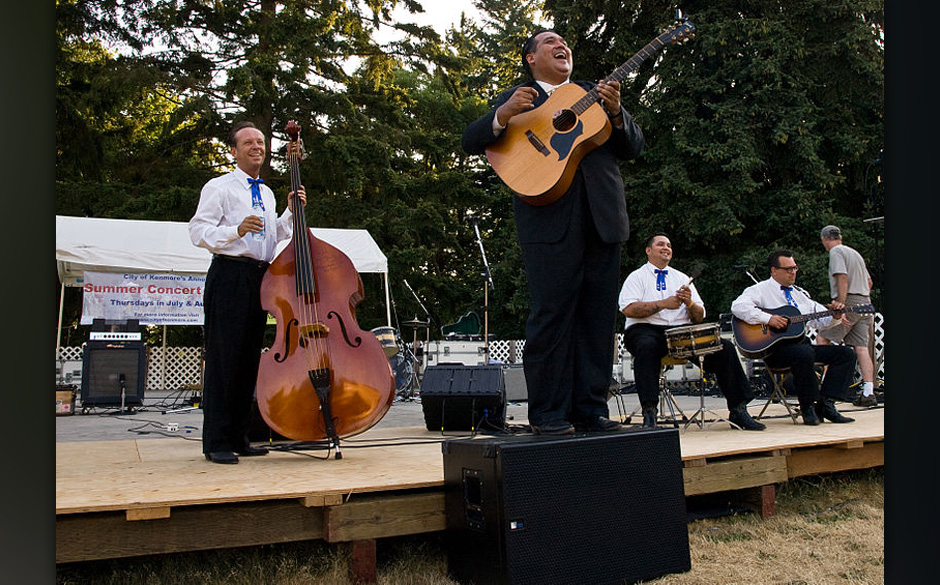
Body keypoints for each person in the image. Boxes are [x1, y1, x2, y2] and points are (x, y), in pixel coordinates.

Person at [461, 29, 645, 435]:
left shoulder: (594, 94)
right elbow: (471, 140)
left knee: (598, 319)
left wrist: (617, 114)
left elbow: (633, 147)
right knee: (552, 316)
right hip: (547, 220)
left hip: (603, 219)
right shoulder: (519, 99)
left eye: (565, 43)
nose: (561, 46)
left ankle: (591, 410)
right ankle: (548, 413)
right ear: (530, 57)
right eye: (549, 42)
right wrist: (503, 115)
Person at [189, 121, 306, 464]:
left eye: (261, 142)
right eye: (248, 143)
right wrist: (234, 230)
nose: (257, 147)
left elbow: (272, 236)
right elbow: (198, 231)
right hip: (230, 274)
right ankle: (216, 441)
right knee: (224, 359)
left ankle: (239, 437)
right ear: (234, 151)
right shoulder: (220, 187)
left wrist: (289, 212)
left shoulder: (266, 193)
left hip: (259, 277)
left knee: (247, 360)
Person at [618, 233, 765, 431]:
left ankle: (738, 409)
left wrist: (689, 303)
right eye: (661, 244)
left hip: (681, 331)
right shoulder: (636, 277)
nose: (666, 248)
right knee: (647, 346)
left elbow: (699, 315)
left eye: (669, 245)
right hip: (646, 329)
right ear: (648, 250)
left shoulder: (681, 278)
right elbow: (628, 309)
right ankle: (649, 412)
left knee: (725, 348)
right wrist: (664, 304)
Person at [731, 249, 857, 426]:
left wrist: (835, 315)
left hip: (802, 346)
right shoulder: (759, 290)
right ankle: (807, 406)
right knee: (804, 353)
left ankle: (826, 404)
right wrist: (768, 319)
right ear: (774, 270)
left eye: (795, 268)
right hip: (775, 351)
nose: (793, 272)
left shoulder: (800, 294)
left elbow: (820, 320)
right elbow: (738, 307)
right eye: (788, 269)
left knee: (846, 354)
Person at [817, 225, 877, 407]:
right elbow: (869, 282)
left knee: (822, 337)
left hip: (849, 301)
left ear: (824, 239)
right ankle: (868, 391)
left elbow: (842, 277)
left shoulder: (836, 252)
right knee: (861, 348)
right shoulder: (855, 253)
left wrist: (841, 304)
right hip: (865, 302)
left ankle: (825, 387)